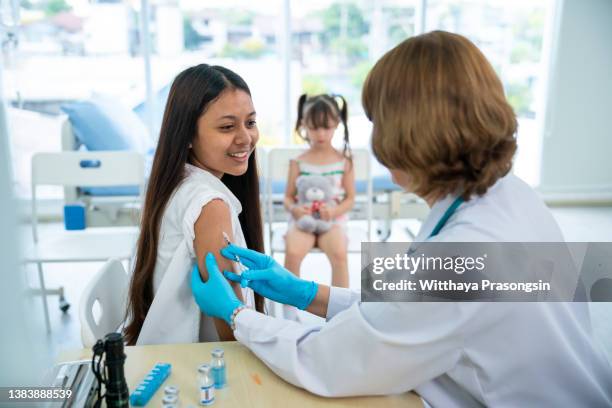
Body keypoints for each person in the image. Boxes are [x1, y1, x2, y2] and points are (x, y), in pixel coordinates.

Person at [190, 31, 612, 406]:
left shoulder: (463, 254)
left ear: (408, 131)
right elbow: (403, 312)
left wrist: (236, 316)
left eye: (378, 121)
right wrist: (303, 292)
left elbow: (332, 363)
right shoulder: (510, 194)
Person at [123, 64, 265, 345]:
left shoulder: (178, 184)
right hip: (195, 362)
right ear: (186, 134)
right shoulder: (208, 203)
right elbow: (231, 332)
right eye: (227, 126)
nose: (246, 138)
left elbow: (376, 314)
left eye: (250, 122)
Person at [283, 94, 355, 289]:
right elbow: (288, 197)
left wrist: (333, 212)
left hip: (332, 221)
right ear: (304, 125)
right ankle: (290, 312)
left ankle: (340, 311)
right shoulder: (298, 162)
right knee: (293, 252)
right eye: (314, 128)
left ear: (337, 124)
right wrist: (295, 210)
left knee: (339, 253)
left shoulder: (344, 161)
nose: (320, 134)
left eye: (326, 127)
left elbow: (350, 198)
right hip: (303, 219)